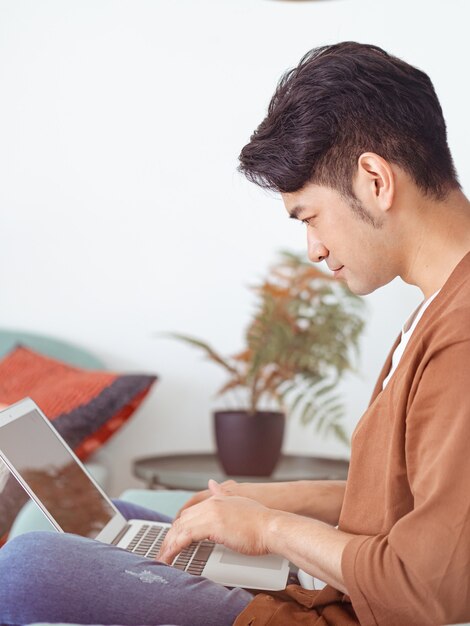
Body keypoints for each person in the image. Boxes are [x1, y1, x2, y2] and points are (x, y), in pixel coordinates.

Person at [1, 41, 469, 626]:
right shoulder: (439, 307)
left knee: (25, 566)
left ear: (374, 180)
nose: (315, 249)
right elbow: (399, 502)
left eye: (309, 217)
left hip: (335, 613)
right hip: (331, 589)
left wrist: (269, 528)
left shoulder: (460, 339)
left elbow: (426, 585)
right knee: (115, 519)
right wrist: (269, 498)